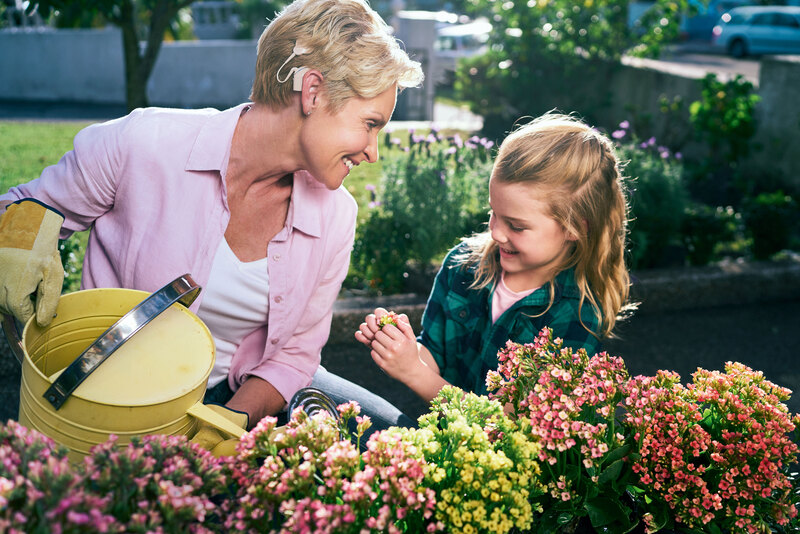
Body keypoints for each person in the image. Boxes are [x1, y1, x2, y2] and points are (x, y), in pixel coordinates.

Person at [0, 0, 423, 448]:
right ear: (313, 91)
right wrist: (19, 239)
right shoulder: (145, 146)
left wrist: (228, 421)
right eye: (370, 124)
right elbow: (25, 204)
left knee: (395, 440)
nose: (373, 152)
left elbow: (295, 355)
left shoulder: (336, 214)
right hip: (120, 390)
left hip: (238, 395)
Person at [355, 113, 635, 405]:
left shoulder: (577, 315)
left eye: (516, 225)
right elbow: (433, 354)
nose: (496, 233)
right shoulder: (461, 265)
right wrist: (402, 348)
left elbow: (510, 426)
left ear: (575, 227)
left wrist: (415, 374)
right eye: (493, 213)